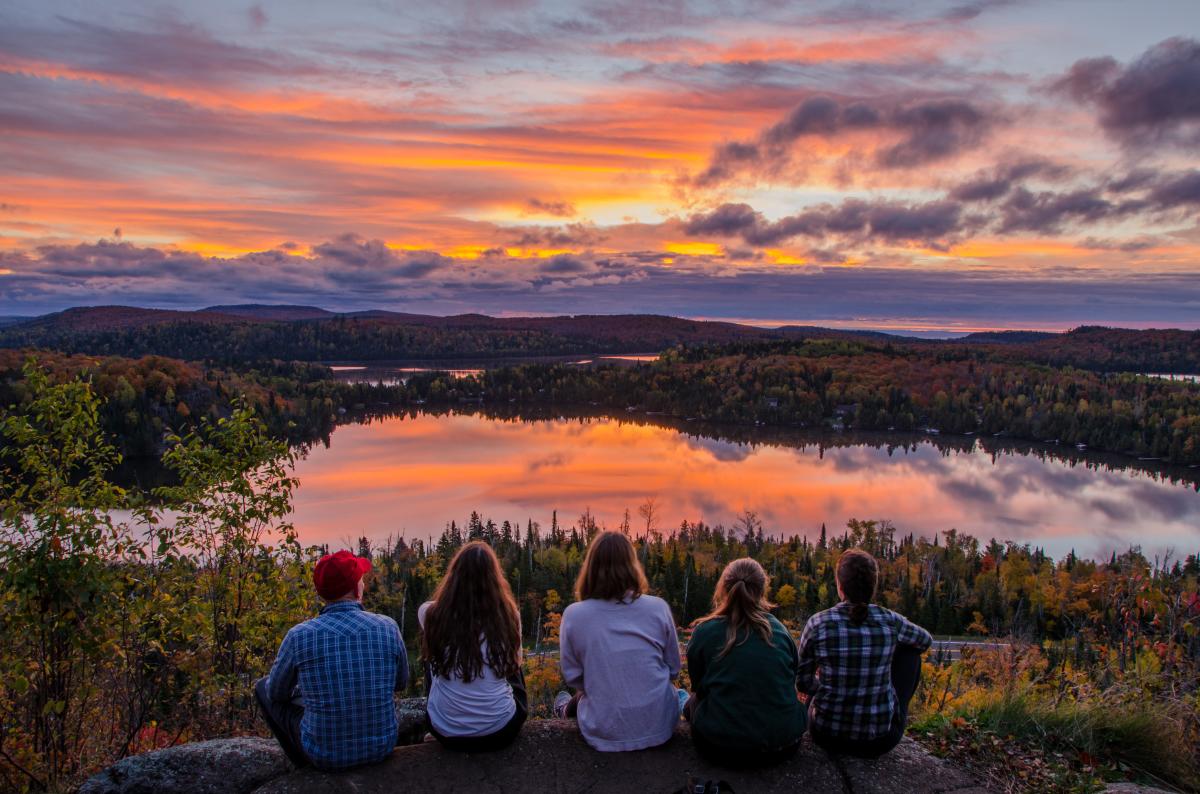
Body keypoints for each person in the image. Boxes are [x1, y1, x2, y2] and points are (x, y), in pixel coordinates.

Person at [255, 549, 409, 770]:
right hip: (381, 748)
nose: (363, 584)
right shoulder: (388, 627)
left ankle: (302, 766)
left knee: (263, 687)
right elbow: (400, 683)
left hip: (324, 756)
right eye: (361, 580)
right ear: (357, 589)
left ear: (321, 594)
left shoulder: (299, 636)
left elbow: (276, 693)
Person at [555, 530, 683, 752]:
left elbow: (573, 677)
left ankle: (564, 709)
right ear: (632, 566)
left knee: (576, 697)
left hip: (603, 730)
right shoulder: (658, 608)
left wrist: (603, 684)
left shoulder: (575, 615)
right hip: (660, 726)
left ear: (591, 568)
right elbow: (673, 669)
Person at [798, 548, 932, 757]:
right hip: (879, 740)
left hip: (826, 735)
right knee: (910, 653)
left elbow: (802, 683)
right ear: (873, 586)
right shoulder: (890, 620)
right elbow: (925, 640)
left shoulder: (818, 623)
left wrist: (823, 683)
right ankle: (892, 708)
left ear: (840, 586)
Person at [684, 558, 806, 767]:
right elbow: (791, 677)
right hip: (784, 745)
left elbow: (699, 688)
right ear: (761, 591)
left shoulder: (705, 631)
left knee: (689, 702)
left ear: (723, 589)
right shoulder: (780, 632)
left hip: (718, 747)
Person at [418, 541, 527, 751]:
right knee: (513, 665)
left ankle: (448, 712)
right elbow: (515, 663)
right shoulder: (510, 617)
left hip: (445, 731)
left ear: (454, 577)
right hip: (501, 730)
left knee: (434, 656)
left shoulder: (429, 614)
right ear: (494, 579)